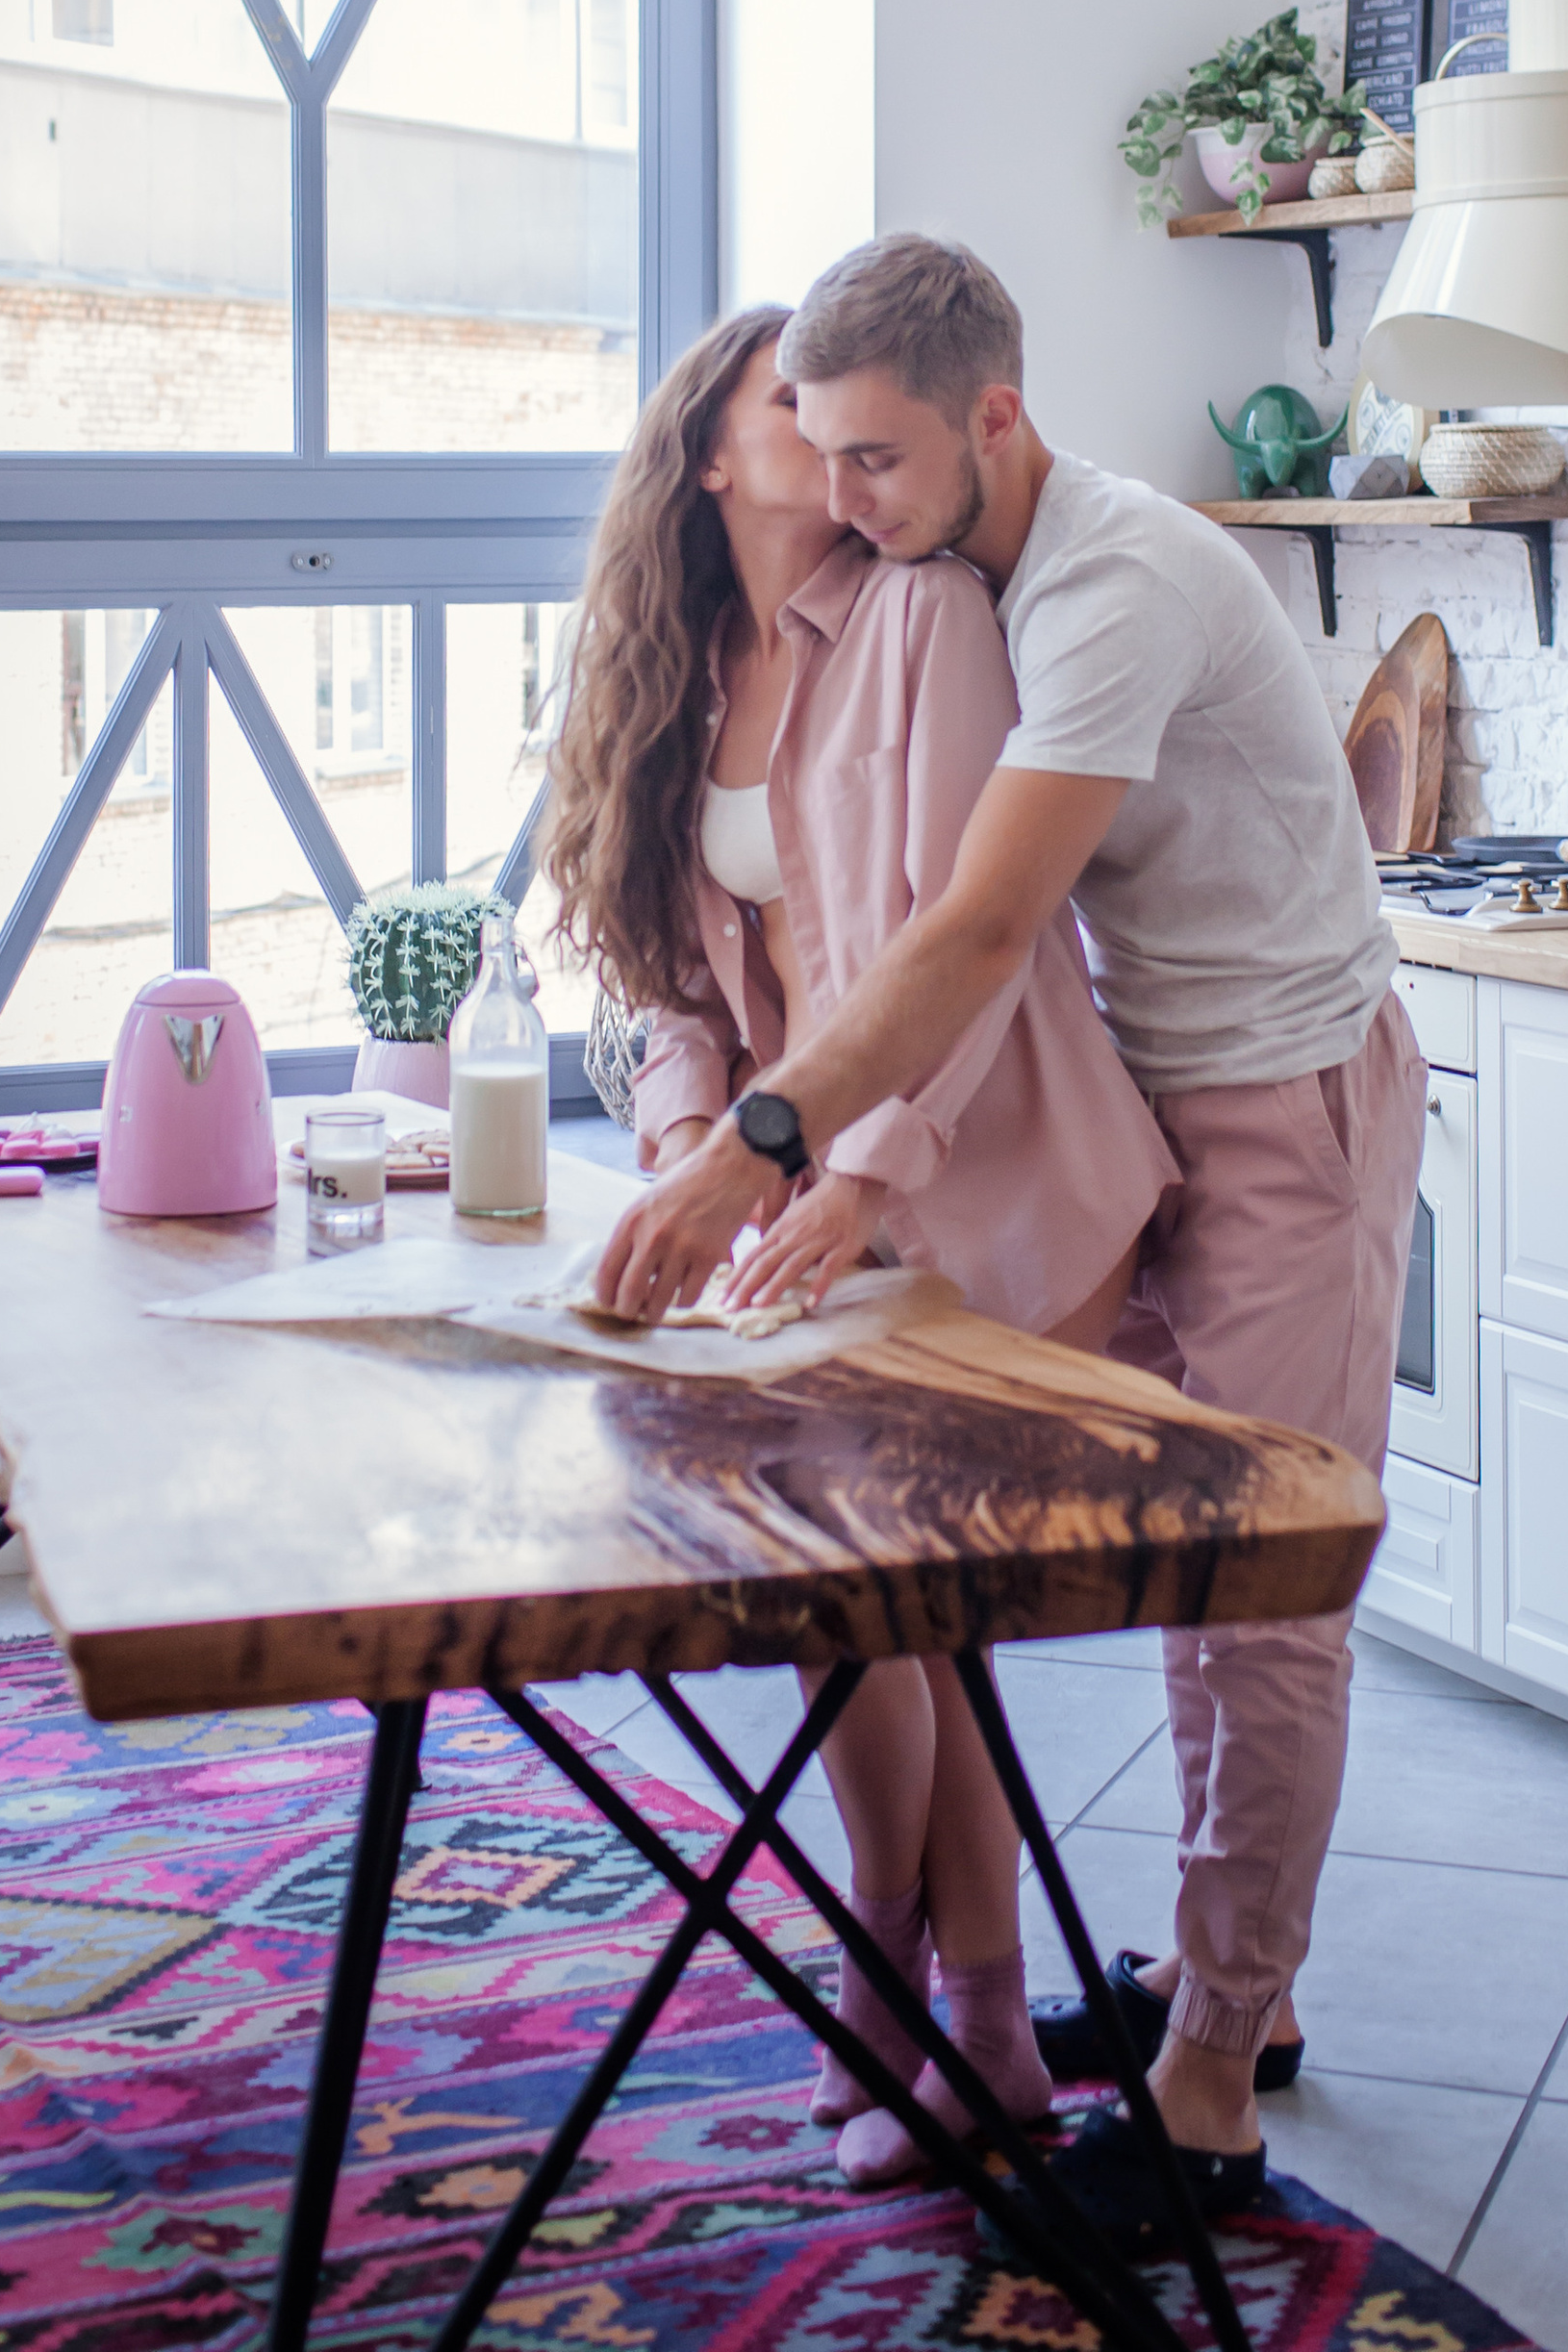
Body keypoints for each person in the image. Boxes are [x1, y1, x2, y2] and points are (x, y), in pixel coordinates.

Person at [595, 237, 1424, 2251]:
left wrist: (765, 1148)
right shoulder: (956, 571)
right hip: (1157, 1096)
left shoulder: (1106, 584)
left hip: (1289, 1100)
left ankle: (1207, 2093)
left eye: (876, 460)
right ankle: (1228, 1991)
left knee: (1266, 1592)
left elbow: (971, 929)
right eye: (818, 454)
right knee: (1179, 1578)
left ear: (994, 416)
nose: (846, 500)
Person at [542, 301, 1177, 2190]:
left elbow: (970, 947)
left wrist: (849, 1176)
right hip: (798, 1195)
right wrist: (686, 1145)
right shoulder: (682, 669)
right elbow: (666, 972)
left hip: (993, 1174)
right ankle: (885, 1971)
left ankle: (977, 2025)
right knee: (847, 1609)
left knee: (925, 1619)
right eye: (787, 413)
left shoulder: (924, 615)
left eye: (847, 424)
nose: (827, 448)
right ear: (707, 457)